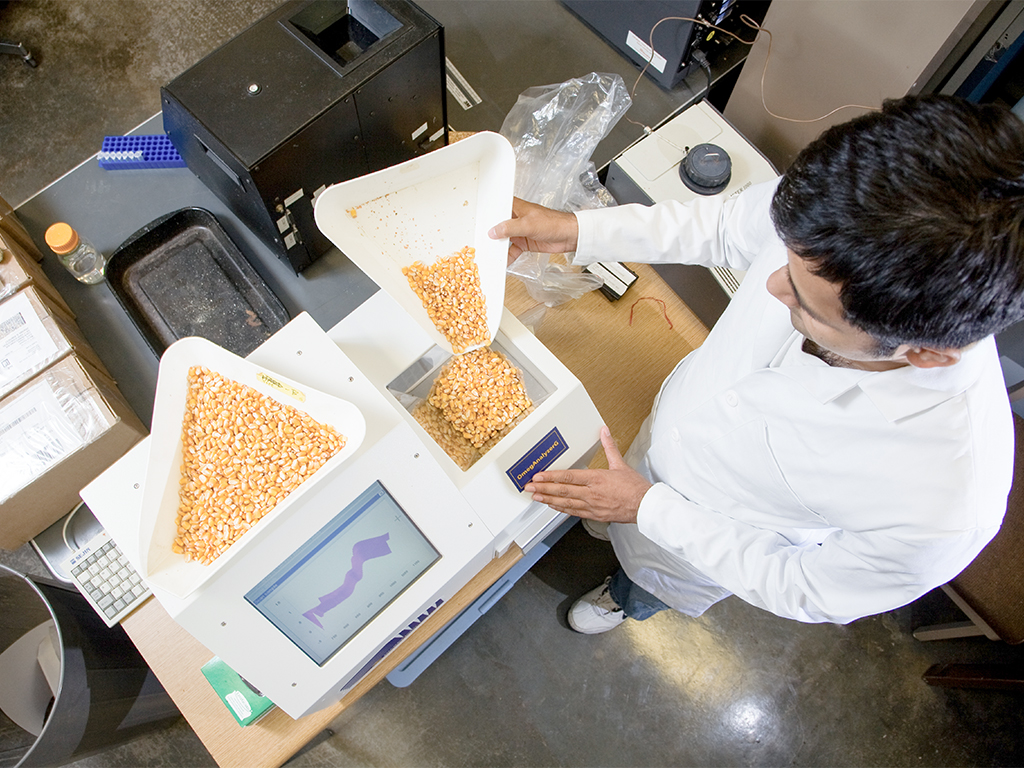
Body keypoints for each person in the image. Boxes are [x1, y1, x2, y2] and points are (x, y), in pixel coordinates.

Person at [487, 94, 1024, 634]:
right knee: (614, 499)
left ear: (926, 352)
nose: (770, 285)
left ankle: (624, 597)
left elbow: (805, 588)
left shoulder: (944, 508)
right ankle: (611, 523)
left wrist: (649, 509)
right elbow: (725, 226)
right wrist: (578, 231)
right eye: (785, 258)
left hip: (702, 543)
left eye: (805, 302)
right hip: (663, 433)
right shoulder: (841, 209)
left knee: (647, 577)